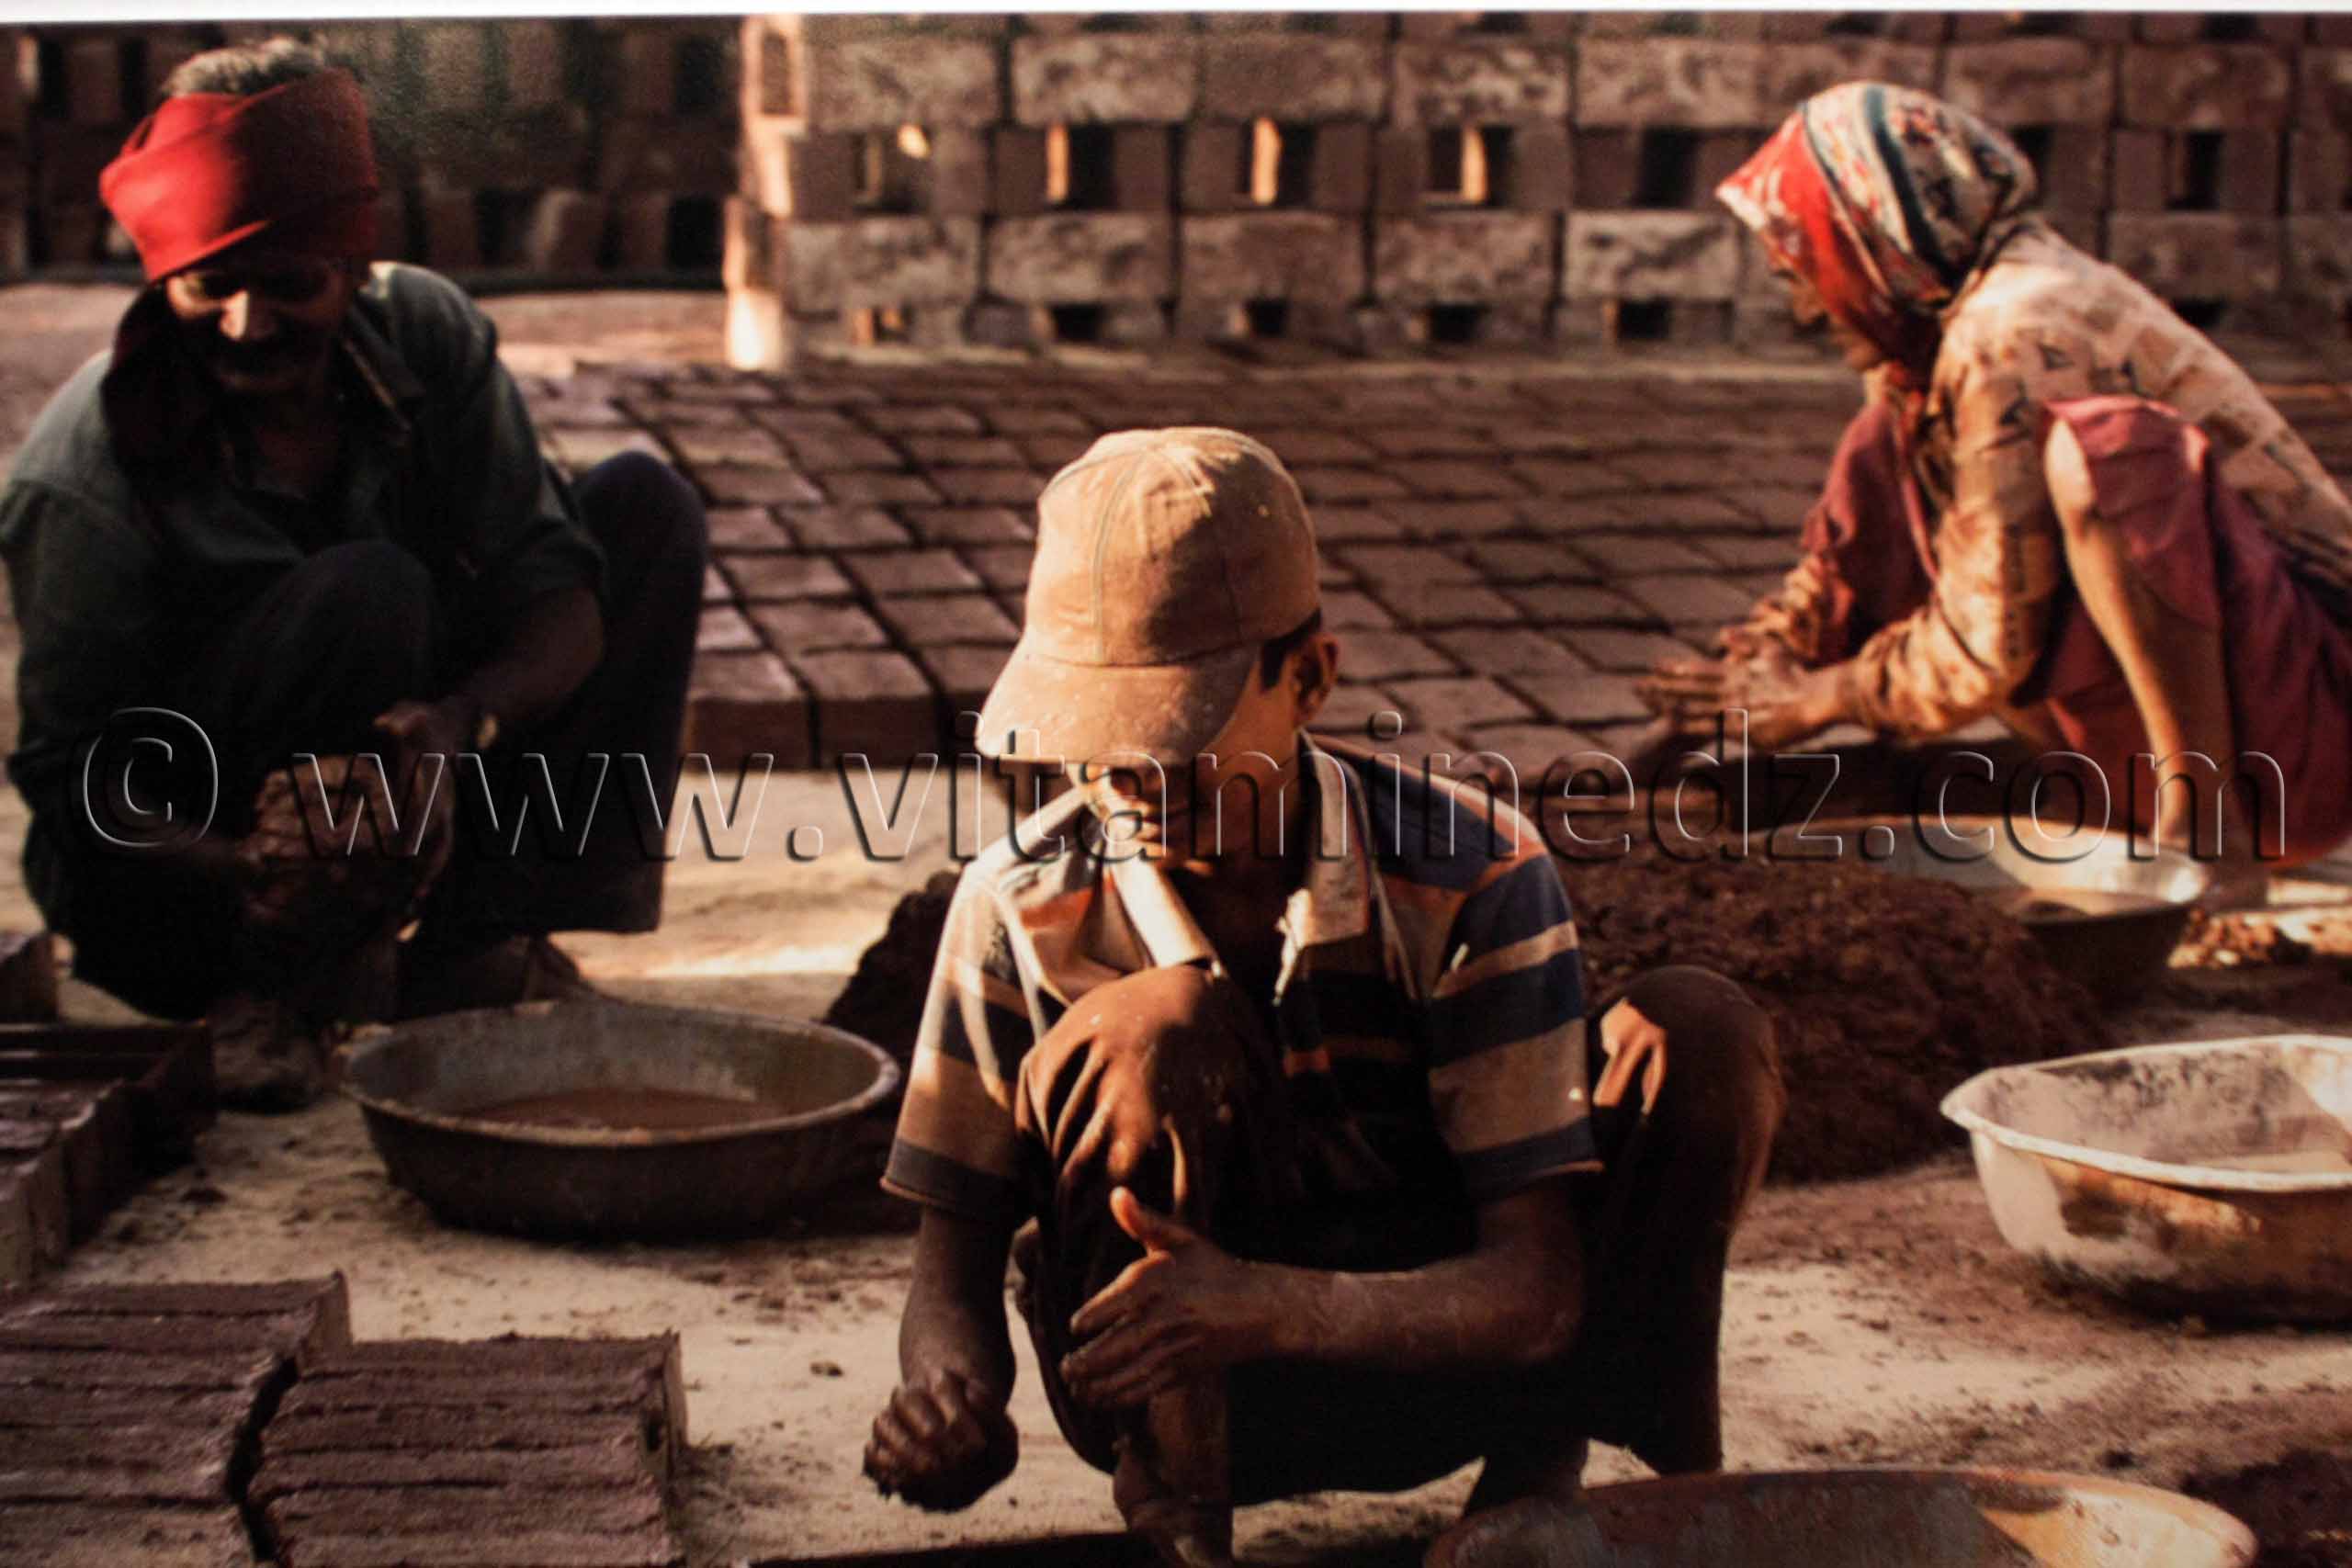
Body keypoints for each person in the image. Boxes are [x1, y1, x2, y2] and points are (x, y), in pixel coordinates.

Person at [860, 428, 1785, 1567]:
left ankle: (1556, 1485)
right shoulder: (1019, 902)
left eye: (1173, 737)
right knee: (1156, 1028)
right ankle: (1181, 1512)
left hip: (1443, 1366)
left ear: (1309, 678)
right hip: (1170, 1386)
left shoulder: (1470, 873)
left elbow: (1537, 1288)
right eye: (1088, 742)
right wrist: (948, 1401)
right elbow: (947, 1271)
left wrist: (1268, 1302)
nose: (1125, 783)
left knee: (1693, 1033)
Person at [0, 39, 707, 1106]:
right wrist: (253, 862)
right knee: (368, 588)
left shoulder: (426, 335)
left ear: (351, 265)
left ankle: (484, 942)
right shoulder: (88, 466)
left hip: (393, 779)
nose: (247, 324)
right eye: (210, 286)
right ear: (167, 275)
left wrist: (457, 719)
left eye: (288, 285)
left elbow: (556, 593)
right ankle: (272, 991)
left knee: (642, 510)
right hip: (171, 880)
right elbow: (75, 783)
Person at [1639, 82, 2352, 900]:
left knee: (2109, 456)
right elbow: (1848, 566)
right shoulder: (1941, 326)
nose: (1803, 307)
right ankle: (2103, 803)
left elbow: (1987, 643)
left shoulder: (2015, 323)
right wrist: (1724, 700)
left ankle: (2208, 838)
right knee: (1883, 441)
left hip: (2312, 724)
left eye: (1805, 270)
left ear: (1870, 238)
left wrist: (1817, 699)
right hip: (2211, 734)